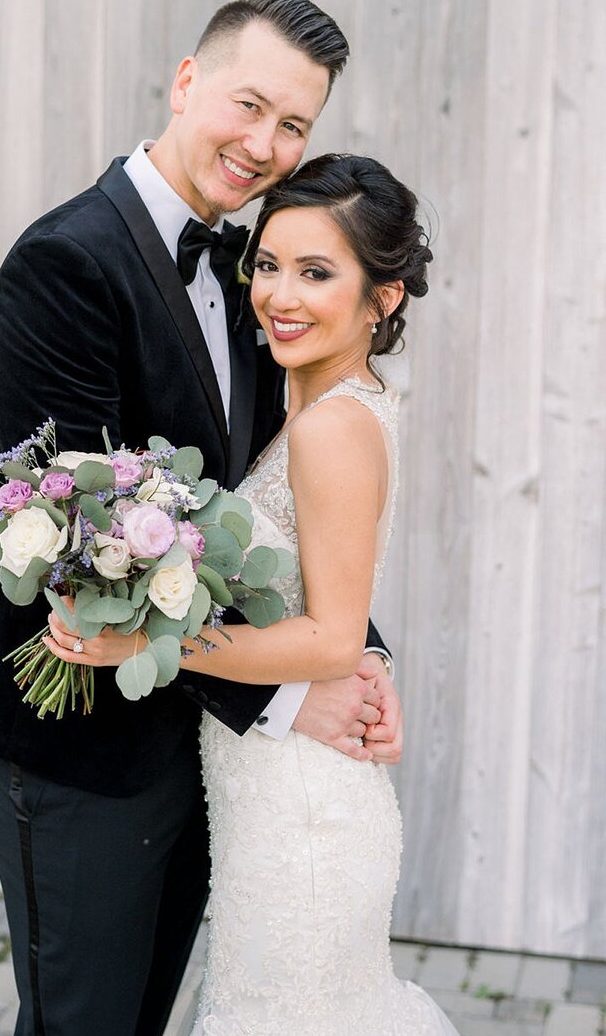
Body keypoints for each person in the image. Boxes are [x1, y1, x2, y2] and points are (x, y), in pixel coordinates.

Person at [0, 0, 402, 1036]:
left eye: (294, 125)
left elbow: (264, 507)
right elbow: (80, 562)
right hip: (75, 738)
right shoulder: (64, 264)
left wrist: (356, 661)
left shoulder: (251, 269)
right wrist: (286, 700)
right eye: (249, 104)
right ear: (186, 81)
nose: (265, 144)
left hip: (188, 733)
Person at [48, 153, 458, 1034]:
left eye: (317, 273)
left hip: (302, 809)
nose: (279, 295)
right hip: (271, 795)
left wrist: (145, 643)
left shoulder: (331, 429)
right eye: (269, 264)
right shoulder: (325, 404)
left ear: (382, 298)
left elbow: (331, 640)